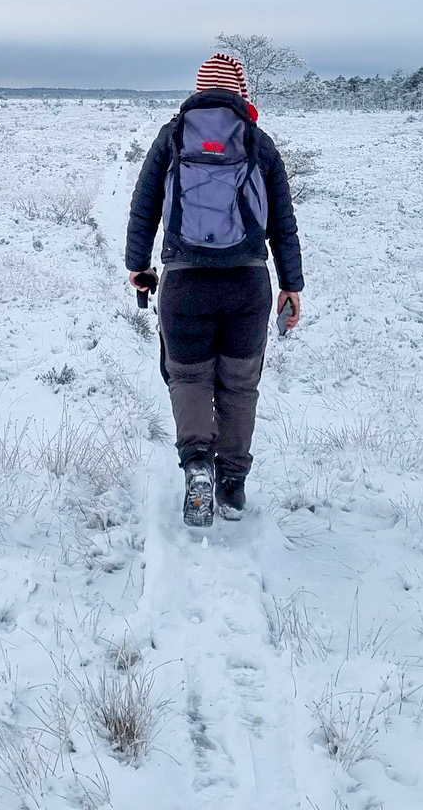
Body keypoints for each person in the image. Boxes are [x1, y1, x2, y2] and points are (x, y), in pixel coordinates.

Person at [125, 51, 303, 526]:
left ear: (200, 88)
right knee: (240, 386)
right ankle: (232, 483)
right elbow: (283, 224)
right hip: (247, 282)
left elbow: (144, 208)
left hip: (184, 282)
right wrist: (291, 286)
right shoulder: (258, 142)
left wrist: (138, 267)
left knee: (188, 377)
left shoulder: (172, 137)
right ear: (240, 90)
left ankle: (198, 464)